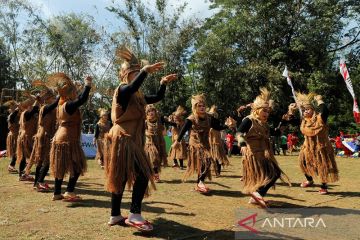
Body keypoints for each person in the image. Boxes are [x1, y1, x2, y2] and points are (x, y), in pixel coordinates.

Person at [105, 46, 177, 231]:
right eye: (134, 72)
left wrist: (163, 83)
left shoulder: (138, 96)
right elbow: (132, 86)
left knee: (120, 177)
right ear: (125, 75)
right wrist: (144, 71)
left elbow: (157, 97)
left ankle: (115, 215)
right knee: (144, 173)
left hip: (130, 139)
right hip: (123, 138)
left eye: (138, 72)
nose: (137, 75)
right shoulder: (122, 89)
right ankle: (134, 214)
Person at [238, 88, 291, 207]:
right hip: (254, 155)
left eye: (268, 111)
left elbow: (276, 132)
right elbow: (239, 133)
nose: (267, 114)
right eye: (264, 111)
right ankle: (257, 194)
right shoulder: (248, 120)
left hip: (265, 154)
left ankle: (257, 196)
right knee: (273, 173)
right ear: (257, 110)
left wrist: (284, 121)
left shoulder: (264, 124)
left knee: (275, 173)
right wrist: (242, 143)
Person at [171, 94, 230, 194]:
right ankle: (200, 182)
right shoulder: (191, 118)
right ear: (195, 107)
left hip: (205, 143)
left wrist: (227, 125)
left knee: (206, 162)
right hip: (195, 143)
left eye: (203, 105)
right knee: (206, 159)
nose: (202, 107)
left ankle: (200, 182)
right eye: (199, 106)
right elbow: (183, 130)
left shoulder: (209, 117)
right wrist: (177, 141)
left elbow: (217, 127)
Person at [49, 73, 92, 201]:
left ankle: (57, 193)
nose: (75, 93)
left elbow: (78, 99)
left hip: (60, 137)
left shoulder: (61, 105)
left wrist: (81, 88)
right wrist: (87, 85)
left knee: (60, 167)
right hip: (68, 138)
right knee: (78, 165)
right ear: (69, 94)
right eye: (73, 91)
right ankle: (69, 191)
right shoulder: (68, 105)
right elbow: (81, 100)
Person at [295, 93, 339, 194]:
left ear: (313, 110)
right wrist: (290, 111)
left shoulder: (320, 119)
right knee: (304, 163)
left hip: (321, 147)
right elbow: (290, 121)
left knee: (321, 167)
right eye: (303, 110)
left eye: (307, 109)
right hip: (307, 147)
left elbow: (325, 110)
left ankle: (324, 186)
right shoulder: (304, 121)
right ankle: (309, 180)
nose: (305, 111)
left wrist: (319, 100)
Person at [30, 87, 59, 192]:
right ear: (48, 98)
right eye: (53, 97)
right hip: (44, 136)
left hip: (44, 135)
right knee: (46, 160)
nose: (54, 98)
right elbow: (56, 103)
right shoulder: (45, 108)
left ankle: (37, 182)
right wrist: (61, 93)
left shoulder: (47, 108)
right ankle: (39, 182)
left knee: (41, 160)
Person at [16, 97, 39, 181]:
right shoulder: (26, 114)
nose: (33, 106)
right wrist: (37, 100)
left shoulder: (24, 113)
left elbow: (35, 111)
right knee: (32, 156)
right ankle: (24, 174)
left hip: (24, 137)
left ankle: (23, 174)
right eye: (32, 105)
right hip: (27, 138)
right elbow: (35, 109)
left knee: (24, 157)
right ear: (29, 106)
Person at [208, 105, 229, 177]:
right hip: (213, 139)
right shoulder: (212, 119)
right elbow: (218, 127)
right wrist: (226, 126)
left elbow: (218, 127)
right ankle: (216, 172)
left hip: (215, 140)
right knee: (216, 156)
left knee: (216, 156)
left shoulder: (211, 119)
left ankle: (217, 172)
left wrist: (226, 126)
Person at [4, 100, 20, 173]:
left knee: (16, 151)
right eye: (16, 106)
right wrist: (17, 110)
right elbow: (12, 118)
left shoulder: (15, 114)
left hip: (15, 134)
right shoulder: (12, 115)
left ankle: (12, 165)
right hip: (14, 135)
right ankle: (11, 165)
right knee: (16, 151)